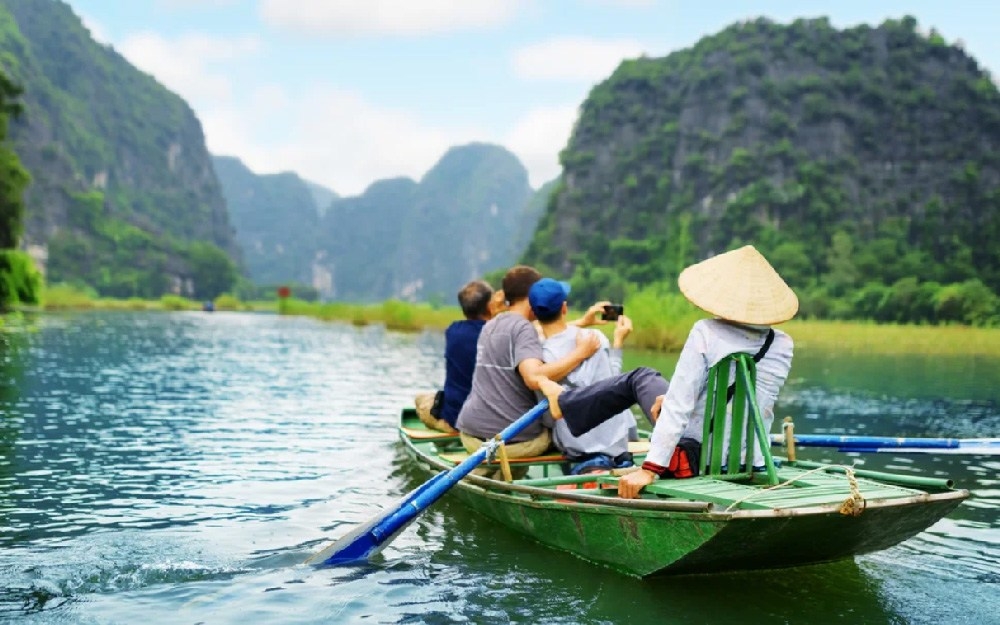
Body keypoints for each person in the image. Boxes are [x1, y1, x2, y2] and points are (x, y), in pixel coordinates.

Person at [537, 245, 797, 499]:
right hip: (750, 459)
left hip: (696, 458)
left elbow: (679, 407)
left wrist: (650, 469)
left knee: (640, 377)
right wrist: (675, 398)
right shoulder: (782, 344)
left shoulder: (706, 332)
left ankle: (563, 403)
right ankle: (565, 403)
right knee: (653, 387)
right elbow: (747, 400)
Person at [456, 265, 601, 479]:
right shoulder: (524, 329)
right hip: (510, 441)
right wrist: (581, 352)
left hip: (469, 433)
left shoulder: (492, 324)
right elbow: (534, 377)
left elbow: (531, 335)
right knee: (566, 433)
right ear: (532, 295)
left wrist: (581, 322)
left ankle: (491, 476)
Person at [528, 278, 638, 474]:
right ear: (564, 308)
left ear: (533, 313)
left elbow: (548, 418)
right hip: (616, 445)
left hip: (577, 449)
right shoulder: (594, 338)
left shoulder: (535, 357)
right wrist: (618, 342)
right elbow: (615, 386)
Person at [414, 280, 498, 433]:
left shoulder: (453, 331)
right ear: (489, 305)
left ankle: (450, 428)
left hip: (455, 418)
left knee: (420, 399)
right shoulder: (501, 334)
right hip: (491, 418)